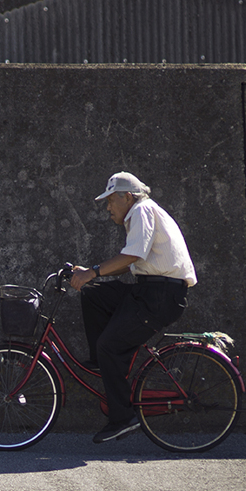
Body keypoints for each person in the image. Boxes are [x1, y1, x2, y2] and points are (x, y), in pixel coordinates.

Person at [69, 171, 197, 444]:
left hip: (160, 296)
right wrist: (89, 273)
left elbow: (132, 256)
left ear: (126, 197)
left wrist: (91, 271)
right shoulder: (140, 213)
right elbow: (128, 261)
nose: (107, 207)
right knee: (94, 295)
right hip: (149, 290)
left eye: (110, 201)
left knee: (109, 345)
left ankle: (122, 418)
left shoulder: (141, 210)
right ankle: (104, 362)